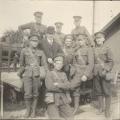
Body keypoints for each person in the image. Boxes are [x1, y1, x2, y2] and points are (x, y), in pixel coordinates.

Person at [18, 34, 48, 118]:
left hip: (36, 74)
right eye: (33, 41)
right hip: (27, 74)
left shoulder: (41, 52)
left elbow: (45, 64)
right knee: (27, 93)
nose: (35, 43)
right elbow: (21, 64)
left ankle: (33, 111)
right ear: (29, 41)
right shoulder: (24, 51)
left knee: (35, 93)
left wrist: (47, 73)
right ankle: (28, 110)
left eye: (36, 41)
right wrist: (21, 72)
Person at [45, 53, 74, 120]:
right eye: (57, 63)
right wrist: (63, 87)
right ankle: (48, 111)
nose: (59, 65)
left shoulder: (63, 74)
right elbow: (50, 87)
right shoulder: (49, 73)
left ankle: (59, 112)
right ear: (54, 64)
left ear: (62, 65)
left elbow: (68, 86)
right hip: (52, 100)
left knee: (71, 117)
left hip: (63, 99)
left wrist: (58, 84)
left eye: (60, 64)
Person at [71, 34, 94, 114]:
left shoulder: (89, 49)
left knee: (72, 86)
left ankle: (74, 107)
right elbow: (74, 63)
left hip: (84, 72)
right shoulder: (76, 50)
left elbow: (91, 64)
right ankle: (76, 108)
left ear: (85, 40)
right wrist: (72, 72)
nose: (79, 42)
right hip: (77, 72)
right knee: (75, 89)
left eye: (81, 40)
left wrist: (86, 74)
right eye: (78, 40)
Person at [93, 32, 114, 119]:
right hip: (96, 73)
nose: (98, 39)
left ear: (103, 39)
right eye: (97, 38)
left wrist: (106, 70)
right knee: (98, 91)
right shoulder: (93, 49)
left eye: (100, 38)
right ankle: (101, 107)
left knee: (107, 92)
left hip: (104, 72)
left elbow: (111, 61)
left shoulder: (107, 48)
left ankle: (107, 110)